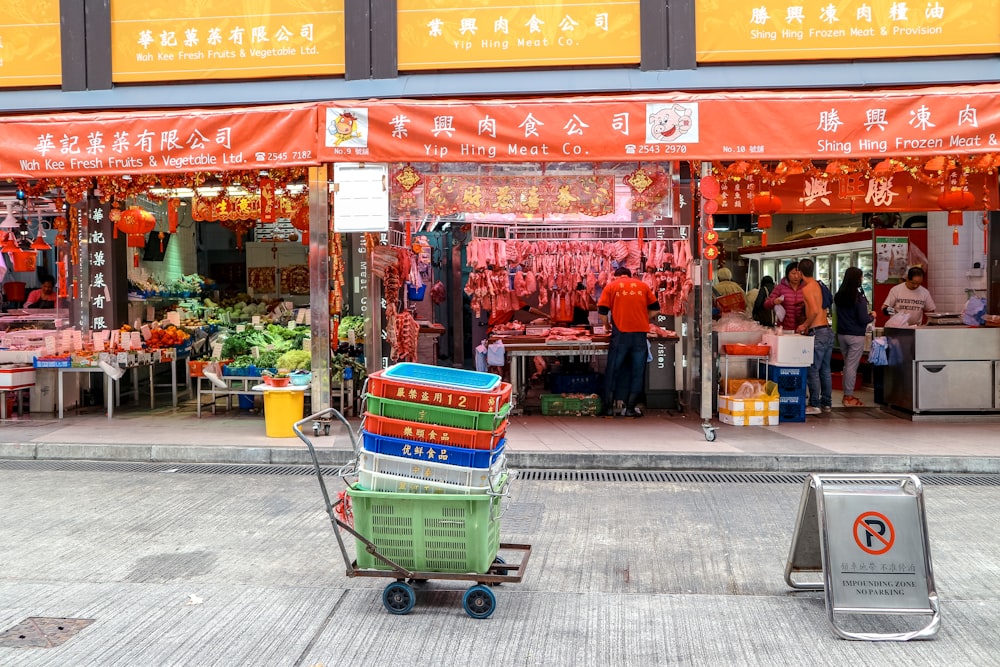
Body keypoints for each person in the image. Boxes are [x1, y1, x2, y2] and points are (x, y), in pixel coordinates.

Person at [597, 267, 659, 418]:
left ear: (615, 276)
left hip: (621, 334)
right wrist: (644, 318)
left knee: (613, 370)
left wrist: (606, 326)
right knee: (638, 372)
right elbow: (656, 309)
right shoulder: (643, 286)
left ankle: (609, 409)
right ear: (630, 276)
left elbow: (602, 311)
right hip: (640, 335)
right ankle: (630, 409)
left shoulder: (611, 286)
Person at [795, 258, 833, 415]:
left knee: (813, 370)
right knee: (825, 370)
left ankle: (815, 404)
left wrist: (804, 325)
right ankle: (827, 403)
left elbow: (815, 310)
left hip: (817, 331)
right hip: (827, 331)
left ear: (799, 272)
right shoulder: (818, 284)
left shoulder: (807, 288)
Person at [834, 267, 874, 407]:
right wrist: (872, 316)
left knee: (847, 365)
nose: (862, 279)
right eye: (861, 277)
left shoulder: (839, 296)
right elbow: (863, 319)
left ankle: (847, 394)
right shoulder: (858, 298)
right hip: (856, 335)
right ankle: (848, 397)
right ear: (857, 279)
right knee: (851, 366)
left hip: (842, 335)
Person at [764, 262, 806, 331]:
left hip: (802, 328)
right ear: (787, 274)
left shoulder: (806, 288)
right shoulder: (780, 288)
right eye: (793, 273)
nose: (796, 276)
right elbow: (766, 304)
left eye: (799, 274)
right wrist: (774, 301)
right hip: (784, 328)